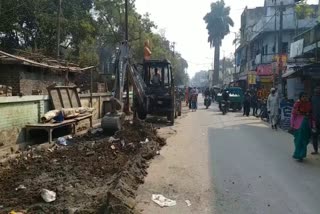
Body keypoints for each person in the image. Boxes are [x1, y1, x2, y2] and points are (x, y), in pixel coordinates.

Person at [291, 92, 313, 161]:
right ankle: (298, 155)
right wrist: (292, 124)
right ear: (300, 97)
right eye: (303, 96)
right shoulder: (297, 104)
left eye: (306, 96)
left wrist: (313, 124)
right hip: (298, 125)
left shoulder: (309, 104)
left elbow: (311, 115)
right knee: (299, 140)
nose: (305, 98)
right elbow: (293, 114)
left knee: (305, 140)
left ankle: (302, 154)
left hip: (307, 124)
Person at [311, 87, 320, 155]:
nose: (317, 91)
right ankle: (316, 150)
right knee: (314, 136)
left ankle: (316, 150)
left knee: (315, 136)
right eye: (316, 90)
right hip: (314, 122)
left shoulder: (312, 98)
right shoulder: (312, 98)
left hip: (315, 121)